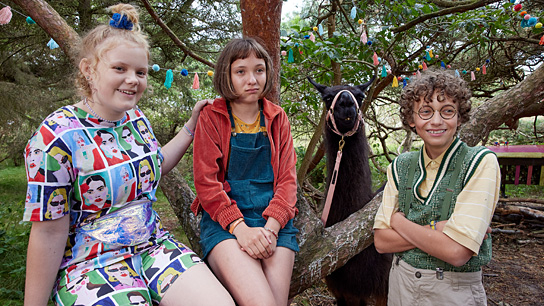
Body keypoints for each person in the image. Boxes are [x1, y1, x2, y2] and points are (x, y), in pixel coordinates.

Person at [23, 4, 234, 306]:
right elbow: (48, 233)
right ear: (89, 69)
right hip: (90, 263)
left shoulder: (135, 117)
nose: (133, 79)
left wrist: (190, 127)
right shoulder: (55, 137)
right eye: (120, 69)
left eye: (141, 72)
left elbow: (153, 168)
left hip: (153, 246)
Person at [373, 69, 501, 305]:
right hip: (400, 285)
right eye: (426, 111)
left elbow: (457, 253)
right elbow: (381, 242)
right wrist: (438, 229)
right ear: (412, 119)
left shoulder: (480, 162)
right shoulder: (400, 165)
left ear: (459, 117)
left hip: (452, 291)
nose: (436, 121)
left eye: (447, 111)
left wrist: (399, 222)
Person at [191, 38, 299, 306]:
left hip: (274, 221)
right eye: (241, 71)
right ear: (226, 75)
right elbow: (207, 184)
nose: (252, 79)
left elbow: (287, 181)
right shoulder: (211, 116)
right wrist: (241, 229)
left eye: (259, 70)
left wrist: (271, 229)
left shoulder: (277, 118)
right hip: (225, 223)